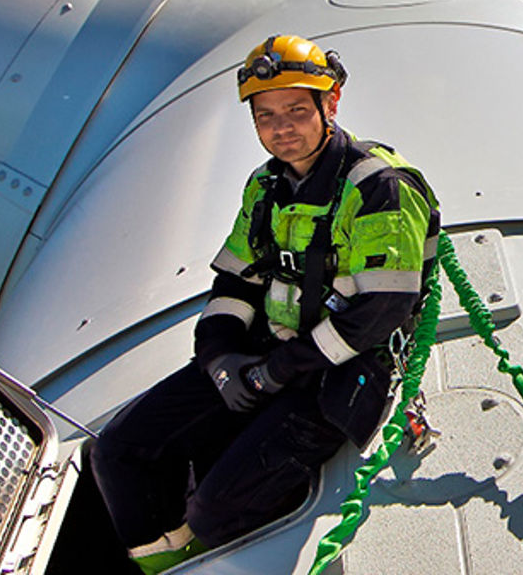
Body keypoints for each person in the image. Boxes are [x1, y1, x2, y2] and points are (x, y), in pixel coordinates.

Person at [90, 34, 440, 574]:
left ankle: (197, 543)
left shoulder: (377, 188)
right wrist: (220, 357)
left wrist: (276, 371)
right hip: (268, 355)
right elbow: (236, 282)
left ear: (332, 104)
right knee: (118, 449)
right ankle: (160, 562)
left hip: (340, 374)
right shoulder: (266, 187)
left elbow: (380, 311)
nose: (281, 129)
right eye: (266, 116)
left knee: (214, 511)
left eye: (297, 111)